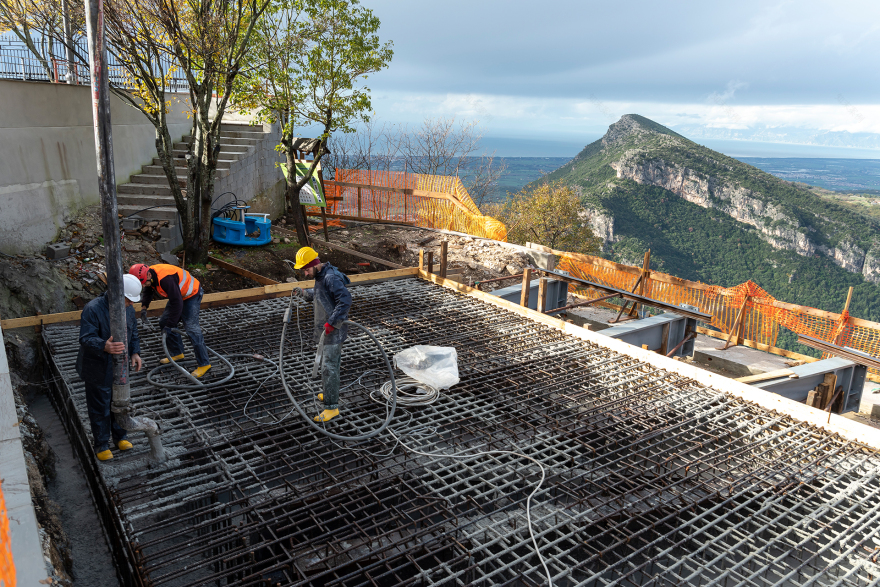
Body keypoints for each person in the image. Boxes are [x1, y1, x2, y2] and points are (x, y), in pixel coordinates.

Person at [76, 274, 144, 461]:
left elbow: (133, 332)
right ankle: (102, 444)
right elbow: (86, 337)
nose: (131, 304)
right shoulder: (93, 309)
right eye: (128, 300)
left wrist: (135, 352)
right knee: (100, 406)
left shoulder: (128, 309)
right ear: (116, 294)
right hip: (97, 366)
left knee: (120, 402)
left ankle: (120, 437)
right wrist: (103, 345)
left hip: (119, 366)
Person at [294, 246, 352, 423]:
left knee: (329, 368)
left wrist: (332, 323)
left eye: (306, 270)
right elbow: (321, 294)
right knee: (329, 366)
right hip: (327, 330)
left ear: (314, 264)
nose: (305, 274)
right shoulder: (321, 275)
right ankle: (329, 392)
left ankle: (331, 407)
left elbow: (345, 301)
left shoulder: (330, 277)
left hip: (333, 331)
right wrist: (305, 294)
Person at [129, 263, 211, 378]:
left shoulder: (165, 279)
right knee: (164, 322)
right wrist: (144, 308)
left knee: (192, 328)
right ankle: (177, 353)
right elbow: (148, 290)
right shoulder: (149, 275)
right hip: (178, 294)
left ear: (148, 275)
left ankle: (204, 364)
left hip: (191, 294)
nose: (143, 286)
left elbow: (177, 304)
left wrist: (170, 325)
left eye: (143, 283)